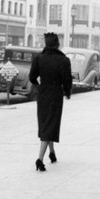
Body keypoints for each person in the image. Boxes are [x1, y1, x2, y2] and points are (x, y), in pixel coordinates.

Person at [29, 32, 72, 171]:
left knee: (46, 123)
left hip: (42, 95)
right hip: (55, 95)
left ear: (46, 44)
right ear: (57, 44)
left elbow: (32, 77)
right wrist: (67, 92)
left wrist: (39, 86)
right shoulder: (64, 60)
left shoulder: (38, 58)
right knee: (51, 124)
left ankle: (52, 153)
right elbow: (67, 80)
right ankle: (39, 159)